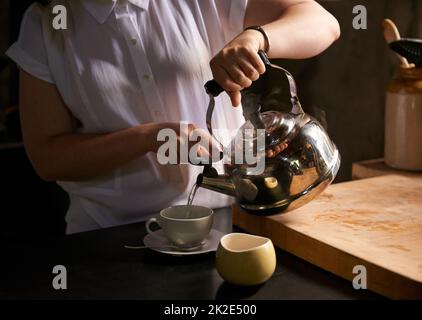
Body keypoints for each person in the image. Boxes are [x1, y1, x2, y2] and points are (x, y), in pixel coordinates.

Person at [6, 0, 340, 234]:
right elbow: (48, 158)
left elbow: (322, 21)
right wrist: (148, 138)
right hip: (107, 235)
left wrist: (256, 38)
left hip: (236, 219)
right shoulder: (45, 22)